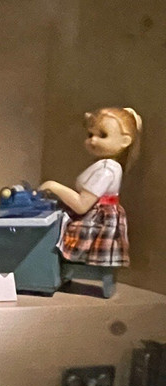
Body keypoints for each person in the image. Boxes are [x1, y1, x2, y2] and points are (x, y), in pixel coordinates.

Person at [39, 107, 142, 269]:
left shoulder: (107, 169)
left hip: (95, 222)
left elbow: (82, 205)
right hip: (95, 215)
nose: (93, 141)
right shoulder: (105, 165)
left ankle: (50, 267)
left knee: (55, 230)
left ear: (125, 141)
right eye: (90, 135)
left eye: (102, 135)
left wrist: (53, 186)